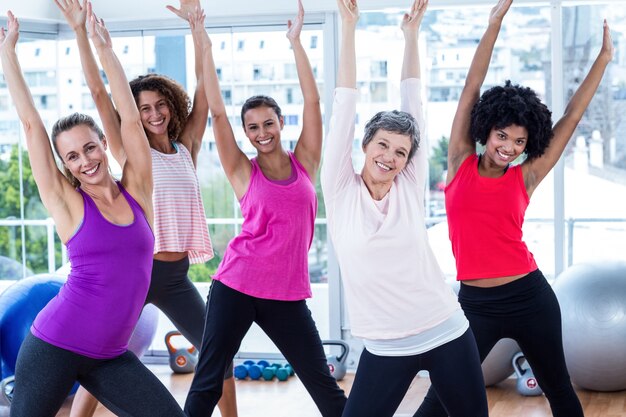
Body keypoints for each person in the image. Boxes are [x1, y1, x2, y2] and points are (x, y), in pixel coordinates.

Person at [414, 1, 614, 416]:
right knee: (440, 396)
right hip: (474, 304)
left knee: (559, 390)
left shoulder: (525, 177)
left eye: (519, 142)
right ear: (487, 129)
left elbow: (572, 118)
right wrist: (493, 24)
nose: (508, 147)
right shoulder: (458, 161)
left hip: (529, 298)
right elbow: (471, 87)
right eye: (502, 136)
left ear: (528, 145)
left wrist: (604, 59)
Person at [52, 0, 238, 415]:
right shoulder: (129, 152)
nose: (153, 113)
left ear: (172, 104)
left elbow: (205, 93)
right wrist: (82, 34)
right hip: (134, 273)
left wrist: (198, 30)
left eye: (160, 104)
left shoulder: (185, 147)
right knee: (103, 357)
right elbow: (100, 91)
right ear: (132, 116)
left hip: (174, 276)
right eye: (143, 108)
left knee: (217, 351)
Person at [0, 5, 185, 417]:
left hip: (111, 355)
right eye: (72, 156)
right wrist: (8, 54)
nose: (85, 160)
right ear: (64, 164)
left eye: (89, 147)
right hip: (55, 345)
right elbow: (31, 125)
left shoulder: (137, 189)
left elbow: (133, 123)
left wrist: (105, 49)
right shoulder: (67, 204)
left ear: (103, 142)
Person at [320, 1, 489, 416]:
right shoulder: (341, 190)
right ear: (364, 145)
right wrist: (348, 27)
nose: (390, 157)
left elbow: (415, 102)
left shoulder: (408, 186)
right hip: (384, 345)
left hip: (446, 331)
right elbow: (343, 106)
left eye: (400, 152)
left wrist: (411, 36)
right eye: (382, 145)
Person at [183, 2, 347, 416]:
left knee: (322, 383)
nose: (261, 133)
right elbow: (217, 111)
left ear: (280, 123)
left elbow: (313, 102)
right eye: (253, 127)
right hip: (235, 285)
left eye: (268, 123)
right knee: (208, 379)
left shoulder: (305, 162)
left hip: (287, 293)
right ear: (247, 133)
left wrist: (295, 43)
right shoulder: (242, 170)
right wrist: (200, 35)